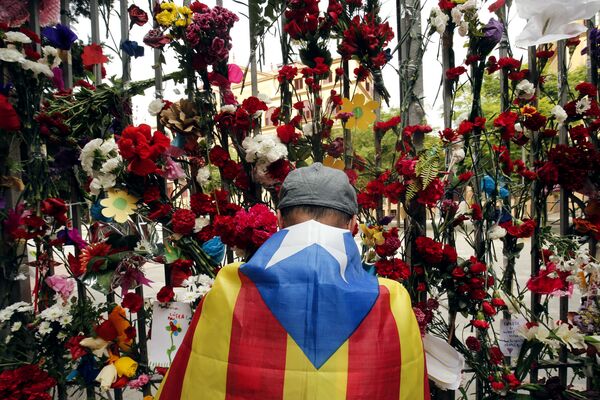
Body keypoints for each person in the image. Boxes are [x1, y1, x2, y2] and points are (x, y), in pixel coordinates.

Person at [155, 163, 430, 399]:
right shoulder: (391, 299)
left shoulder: (230, 288)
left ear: (279, 221)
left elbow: (196, 379)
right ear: (352, 224)